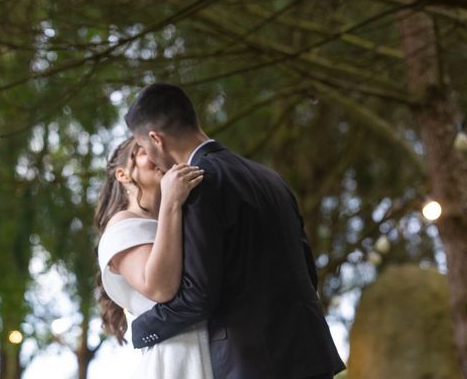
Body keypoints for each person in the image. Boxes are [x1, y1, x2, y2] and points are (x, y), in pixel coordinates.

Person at [124, 83, 347, 379]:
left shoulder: (198, 185)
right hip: (311, 354)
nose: (149, 158)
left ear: (156, 139)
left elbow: (198, 295)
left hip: (254, 362)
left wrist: (140, 329)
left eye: (144, 147)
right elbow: (307, 270)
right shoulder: (271, 179)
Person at [95, 138, 213, 378]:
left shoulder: (170, 221)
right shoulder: (122, 225)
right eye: (143, 152)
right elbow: (160, 288)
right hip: (177, 361)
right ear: (123, 174)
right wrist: (171, 201)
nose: (157, 155)